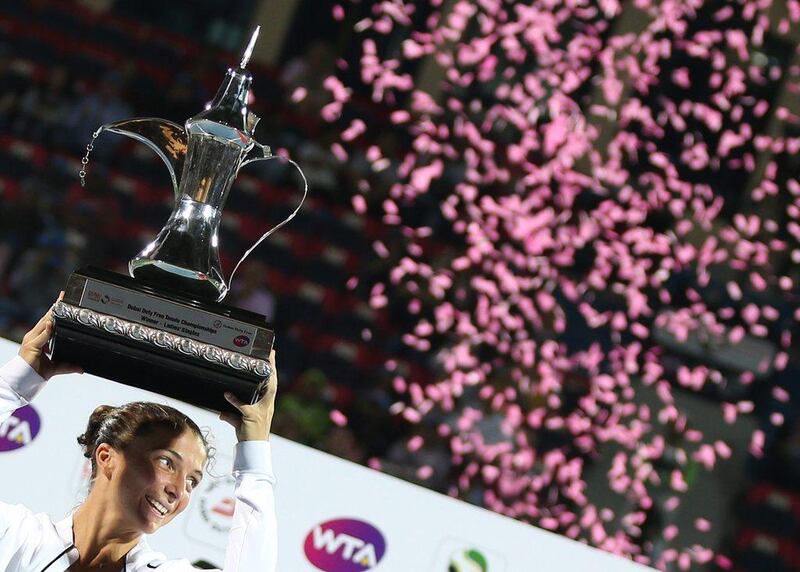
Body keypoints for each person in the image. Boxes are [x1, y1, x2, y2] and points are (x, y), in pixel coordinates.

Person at [0, 302, 279, 571]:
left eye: (192, 481)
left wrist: (255, 458)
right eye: (167, 463)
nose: (179, 491)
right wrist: (15, 383)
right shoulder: (19, 539)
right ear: (106, 457)